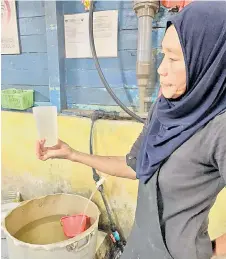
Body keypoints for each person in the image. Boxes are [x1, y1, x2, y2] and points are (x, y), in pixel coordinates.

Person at [36, 2, 226, 259]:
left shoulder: (218, 128)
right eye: (162, 55)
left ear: (207, 60)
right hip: (140, 248)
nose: (161, 68)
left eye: (173, 58)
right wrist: (72, 154)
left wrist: (213, 251)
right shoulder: (165, 109)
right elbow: (134, 165)